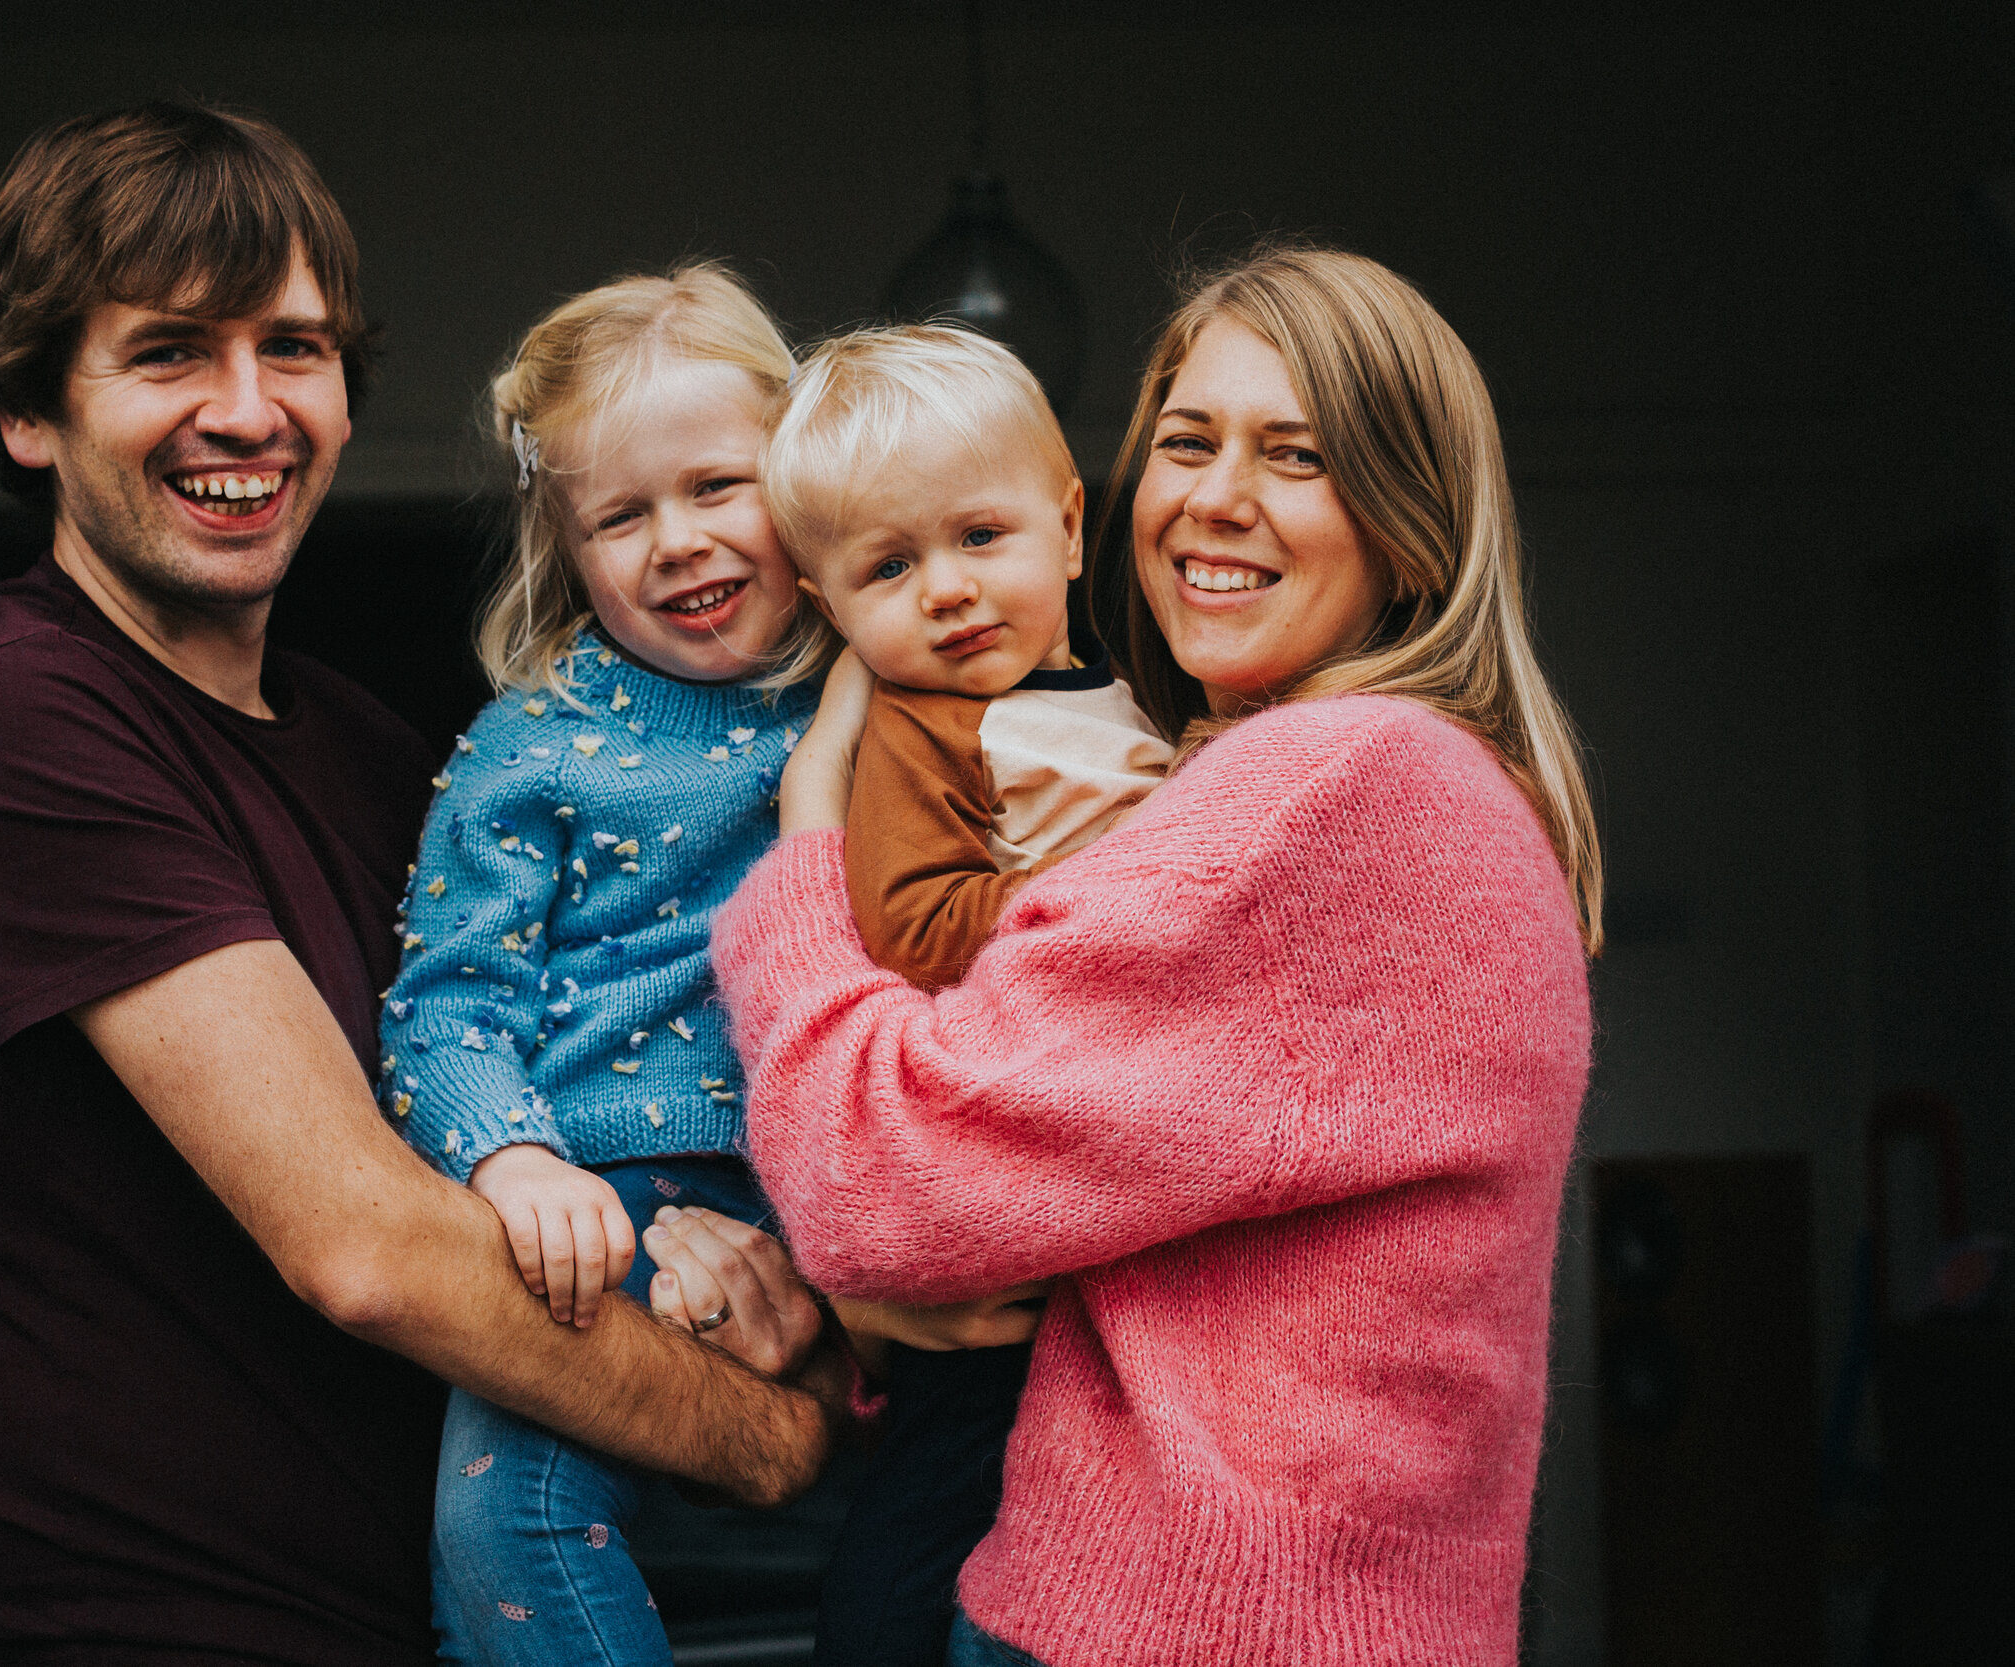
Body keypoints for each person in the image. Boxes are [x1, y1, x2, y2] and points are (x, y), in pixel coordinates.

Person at [0, 103, 833, 1667]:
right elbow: (371, 1248)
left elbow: (531, 1081)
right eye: (172, 352)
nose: (249, 411)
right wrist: (780, 1435)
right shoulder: (26, 725)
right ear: (29, 413)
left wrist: (713, 1249)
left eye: (293, 350)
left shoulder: (376, 754)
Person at [709, 245, 1602, 1666]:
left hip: (1192, 1626)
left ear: (1411, 527)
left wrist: (808, 846)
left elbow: (875, 1176)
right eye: (1188, 441)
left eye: (1294, 456)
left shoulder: (1331, 783)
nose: (1216, 498)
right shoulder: (1421, 791)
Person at [380, 262, 832, 1664]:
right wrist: (514, 1161)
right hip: (594, 1211)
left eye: (717, 487)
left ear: (805, 474)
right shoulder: (526, 748)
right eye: (620, 515)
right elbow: (445, 1002)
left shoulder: (888, 690)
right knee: (494, 1530)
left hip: (847, 1212)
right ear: (561, 542)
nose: (677, 543)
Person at [754, 323, 1172, 1666]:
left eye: (979, 537)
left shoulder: (1144, 695)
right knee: (937, 1519)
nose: (945, 590)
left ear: (1067, 527)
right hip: (979, 1233)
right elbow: (914, 922)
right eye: (888, 566)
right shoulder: (921, 727)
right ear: (830, 609)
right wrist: (1124, 901)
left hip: (1118, 1212)